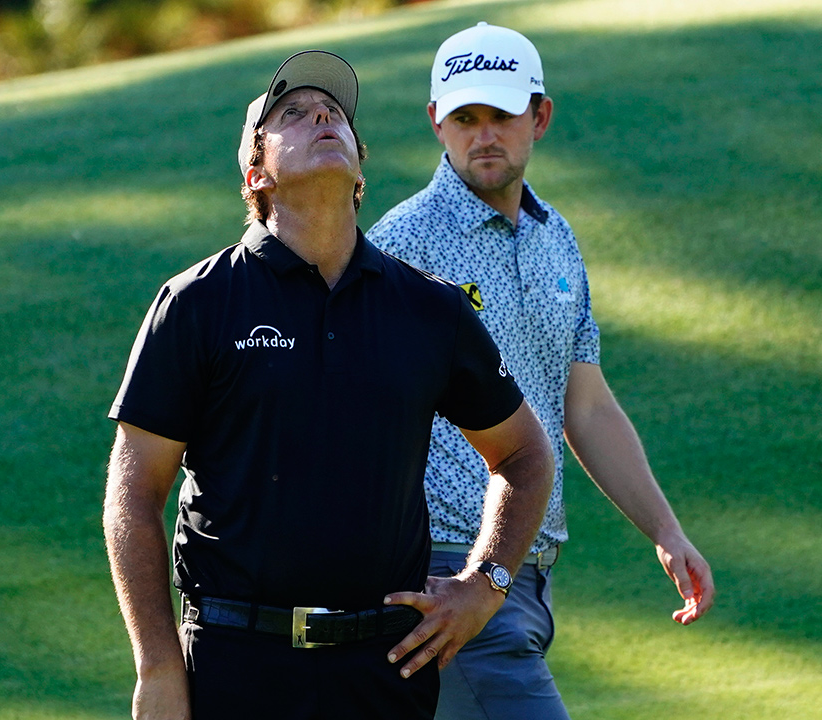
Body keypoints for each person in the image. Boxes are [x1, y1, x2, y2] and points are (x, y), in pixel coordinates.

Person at [103, 49, 555, 720]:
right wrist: (159, 667)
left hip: (384, 673)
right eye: (292, 114)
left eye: (334, 113)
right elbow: (133, 501)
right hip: (232, 669)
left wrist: (484, 584)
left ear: (359, 163)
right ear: (257, 173)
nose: (321, 115)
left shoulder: (429, 310)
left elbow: (524, 456)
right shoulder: (196, 303)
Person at [367, 23, 717, 719]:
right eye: (465, 118)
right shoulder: (397, 247)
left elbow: (583, 406)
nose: (484, 134)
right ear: (436, 122)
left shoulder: (557, 239)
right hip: (446, 575)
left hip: (518, 580)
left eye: (502, 115)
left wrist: (665, 532)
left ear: (541, 116)